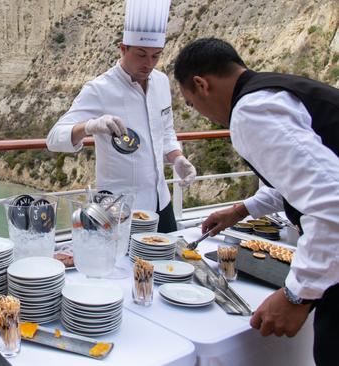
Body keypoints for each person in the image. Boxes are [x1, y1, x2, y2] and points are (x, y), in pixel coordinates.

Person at [174, 37, 339, 365]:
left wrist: (296, 295)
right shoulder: (274, 91)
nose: (203, 116)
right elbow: (301, 180)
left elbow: (331, 200)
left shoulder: (250, 111)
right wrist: (241, 209)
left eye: (192, 105)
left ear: (201, 84)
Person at [46, 0, 196, 233]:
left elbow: (165, 130)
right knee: (126, 269)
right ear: (122, 48)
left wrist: (177, 158)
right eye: (141, 55)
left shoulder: (161, 82)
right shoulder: (99, 88)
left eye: (156, 56)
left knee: (170, 262)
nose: (149, 64)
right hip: (120, 208)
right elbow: (54, 138)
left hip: (161, 200)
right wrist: (89, 126)